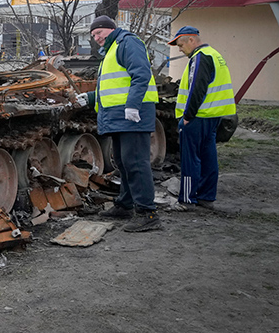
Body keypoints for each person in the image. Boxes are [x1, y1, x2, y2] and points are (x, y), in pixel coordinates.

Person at [85, 15, 162, 232]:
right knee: (123, 161)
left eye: (98, 32)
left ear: (110, 28)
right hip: (119, 117)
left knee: (135, 162)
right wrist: (90, 97)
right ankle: (125, 204)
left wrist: (133, 105)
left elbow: (141, 75)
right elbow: (115, 85)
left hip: (132, 116)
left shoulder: (128, 43)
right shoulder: (112, 49)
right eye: (93, 35)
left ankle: (147, 213)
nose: (96, 38)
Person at [168, 26, 236, 210]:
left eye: (181, 45)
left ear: (191, 40)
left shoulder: (200, 57)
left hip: (198, 116)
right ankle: (206, 197)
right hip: (213, 115)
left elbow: (197, 88)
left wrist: (188, 116)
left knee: (190, 158)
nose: (180, 50)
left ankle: (187, 200)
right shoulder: (214, 54)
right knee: (208, 156)